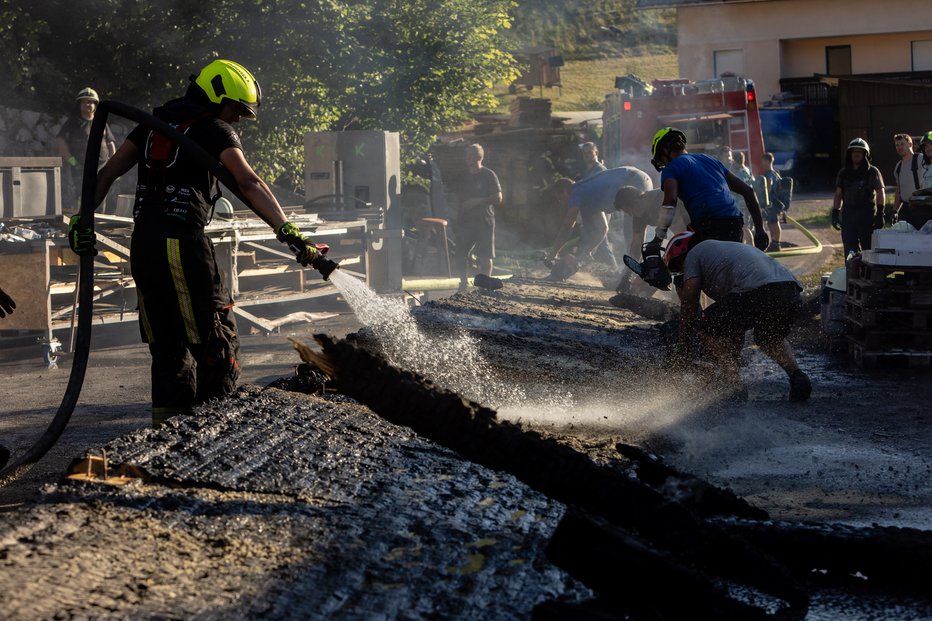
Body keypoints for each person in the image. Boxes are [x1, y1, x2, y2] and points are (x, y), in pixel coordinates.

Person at [67, 59, 337, 428]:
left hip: (143, 246)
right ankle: (216, 432)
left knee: (167, 348)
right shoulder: (213, 129)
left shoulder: (152, 124)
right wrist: (289, 232)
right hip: (182, 247)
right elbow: (248, 183)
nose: (238, 119)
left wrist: (82, 217)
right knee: (215, 341)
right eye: (236, 109)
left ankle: (168, 434)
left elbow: (107, 173)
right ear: (216, 96)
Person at [663, 231, 812, 402]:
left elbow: (690, 302)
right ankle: (798, 377)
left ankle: (733, 384)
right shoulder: (721, 251)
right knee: (769, 337)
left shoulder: (693, 254)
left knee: (706, 328)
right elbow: (733, 321)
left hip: (758, 291)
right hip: (789, 290)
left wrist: (683, 344)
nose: (683, 273)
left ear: (681, 255)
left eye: (679, 269)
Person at [645, 127, 768, 262]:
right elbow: (748, 192)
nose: (664, 163)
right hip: (734, 224)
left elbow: (670, 203)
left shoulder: (671, 168)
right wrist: (760, 231)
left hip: (708, 226)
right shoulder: (709, 160)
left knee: (682, 266)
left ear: (665, 150)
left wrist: (658, 239)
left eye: (661, 159)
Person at [549, 166, 654, 273]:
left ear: (565, 191)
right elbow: (602, 229)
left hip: (632, 181)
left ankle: (632, 276)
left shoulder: (575, 191)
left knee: (632, 233)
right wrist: (586, 251)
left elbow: (567, 227)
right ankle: (632, 274)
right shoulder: (588, 196)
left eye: (559, 197)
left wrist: (552, 255)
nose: (561, 201)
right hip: (640, 178)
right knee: (635, 232)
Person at [56, 87, 117, 208]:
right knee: (82, 197)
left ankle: (98, 222)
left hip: (101, 168)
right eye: (84, 101)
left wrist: (113, 164)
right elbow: (60, 140)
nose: (87, 104)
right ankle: (82, 222)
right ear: (79, 104)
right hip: (80, 167)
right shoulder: (72, 122)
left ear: (95, 105)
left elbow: (110, 143)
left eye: (90, 101)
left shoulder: (101, 122)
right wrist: (71, 160)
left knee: (100, 197)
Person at [454, 143, 502, 288]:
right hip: (465, 221)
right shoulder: (462, 176)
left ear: (478, 157)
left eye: (470, 156)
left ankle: (484, 286)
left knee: (485, 255)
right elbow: (456, 197)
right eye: (466, 156)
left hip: (484, 221)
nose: (467, 159)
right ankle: (463, 283)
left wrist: (477, 201)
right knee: (460, 253)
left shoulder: (488, 175)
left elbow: (498, 198)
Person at [831, 138, 885, 257]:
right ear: (849, 154)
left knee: (869, 252)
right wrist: (835, 212)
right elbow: (838, 194)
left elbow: (880, 192)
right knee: (850, 253)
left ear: (865, 154)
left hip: (867, 217)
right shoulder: (843, 173)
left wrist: (881, 213)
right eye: (854, 151)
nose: (856, 154)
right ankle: (852, 275)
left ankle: (868, 275)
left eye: (860, 151)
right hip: (848, 217)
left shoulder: (873, 172)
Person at [893, 132, 921, 224]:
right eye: (897, 145)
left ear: (910, 144)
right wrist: (895, 211)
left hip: (922, 207)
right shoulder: (898, 167)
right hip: (906, 210)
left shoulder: (921, 159)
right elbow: (898, 191)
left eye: (902, 144)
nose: (899, 147)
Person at [760, 152, 784, 251]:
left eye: (763, 161)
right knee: (771, 222)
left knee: (774, 222)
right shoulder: (776, 173)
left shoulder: (769, 174)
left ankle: (776, 243)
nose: (762, 164)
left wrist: (764, 196)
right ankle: (774, 242)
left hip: (772, 203)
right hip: (774, 202)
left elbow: (769, 185)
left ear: (767, 161)